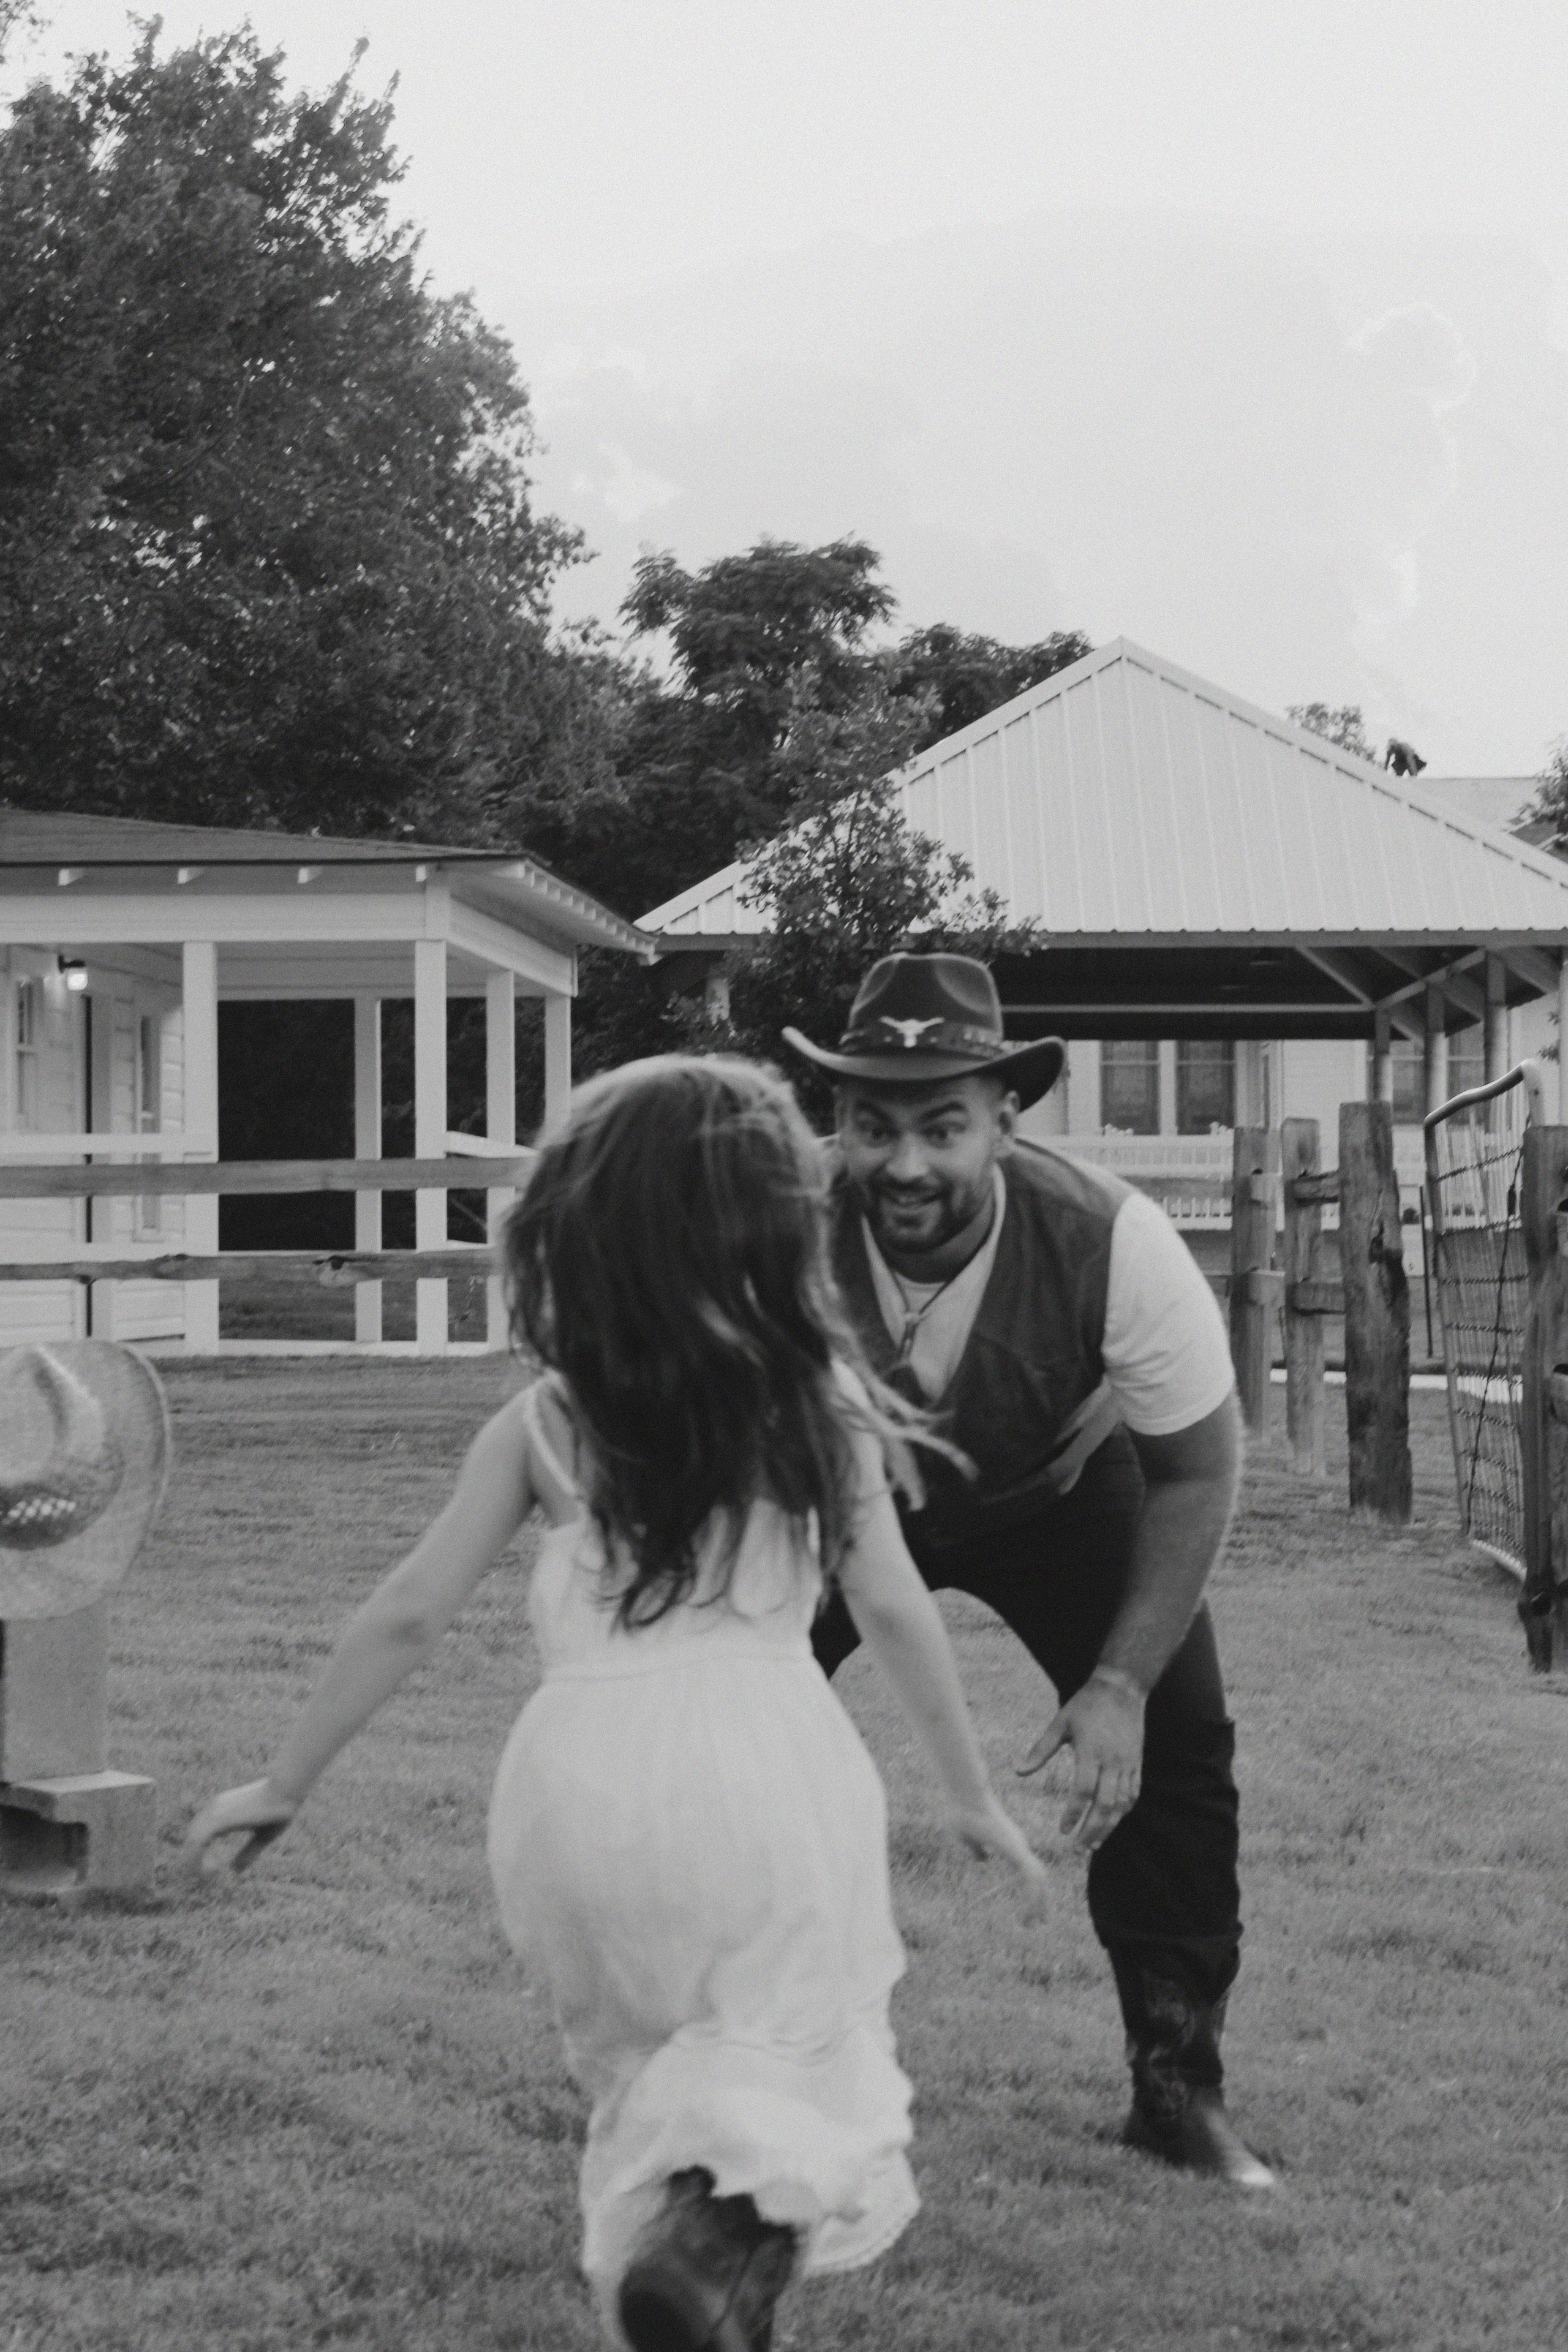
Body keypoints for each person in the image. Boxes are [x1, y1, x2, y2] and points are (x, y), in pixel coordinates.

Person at [186, 1054, 1048, 2352]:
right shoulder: (812, 1408)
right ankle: (715, 2250)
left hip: (577, 1795)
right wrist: (970, 1794)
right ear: (773, 1228)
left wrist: (285, 1781)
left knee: (660, 2063)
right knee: (796, 2050)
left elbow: (410, 1608)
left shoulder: (543, 1421)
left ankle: (706, 2279)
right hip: (764, 1778)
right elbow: (890, 1605)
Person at [783, 952, 1275, 2191]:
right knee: (709, 1733)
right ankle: (710, 2072)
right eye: (872, 1125)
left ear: (1004, 1120)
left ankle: (1176, 2091)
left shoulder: (1115, 1239)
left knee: (1176, 1735)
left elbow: (1197, 1472)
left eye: (941, 1126)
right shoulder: (773, 1228)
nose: (904, 1163)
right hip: (836, 1500)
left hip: (1056, 1493)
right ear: (833, 1123)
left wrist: (1116, 1680)